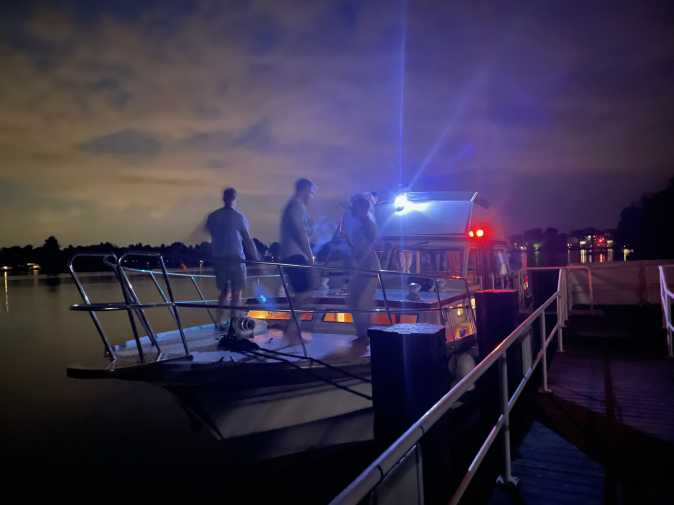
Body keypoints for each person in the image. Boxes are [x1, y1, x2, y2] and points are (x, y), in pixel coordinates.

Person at [205, 187, 258, 332]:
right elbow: (247, 239)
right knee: (237, 291)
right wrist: (257, 258)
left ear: (223, 198)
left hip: (219, 258)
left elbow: (209, 232)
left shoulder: (213, 216)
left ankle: (219, 322)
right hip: (235, 257)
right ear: (235, 199)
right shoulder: (238, 217)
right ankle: (235, 323)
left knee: (224, 291)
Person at [279, 178, 316, 341]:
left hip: (292, 255)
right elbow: (300, 232)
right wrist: (310, 256)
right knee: (304, 294)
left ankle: (291, 328)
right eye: (311, 192)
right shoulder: (296, 206)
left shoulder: (293, 207)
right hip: (295, 256)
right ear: (304, 190)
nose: (312, 196)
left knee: (302, 294)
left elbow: (305, 231)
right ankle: (291, 331)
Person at [345, 193, 380, 339]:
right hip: (359, 268)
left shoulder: (368, 224)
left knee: (362, 302)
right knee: (352, 300)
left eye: (356, 207)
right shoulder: (355, 224)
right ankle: (361, 334)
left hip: (368, 267)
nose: (353, 209)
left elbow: (372, 243)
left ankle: (365, 335)